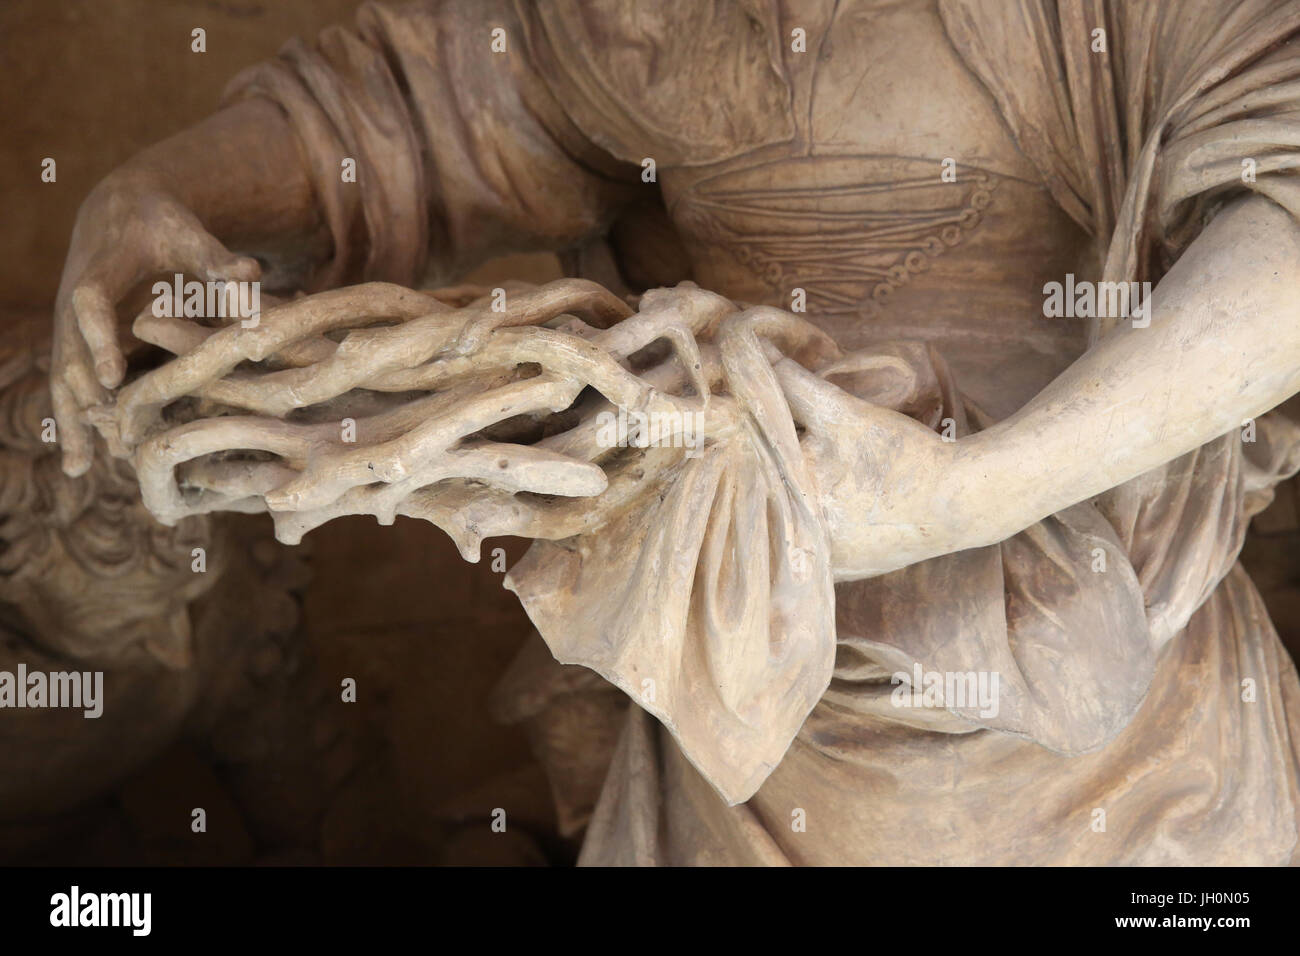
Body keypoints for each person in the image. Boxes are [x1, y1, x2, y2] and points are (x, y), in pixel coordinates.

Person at [49, 0, 1300, 863]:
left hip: (1123, 756)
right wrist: (150, 191)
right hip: (745, 730)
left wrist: (966, 492)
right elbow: (394, 117)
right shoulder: (618, 26)